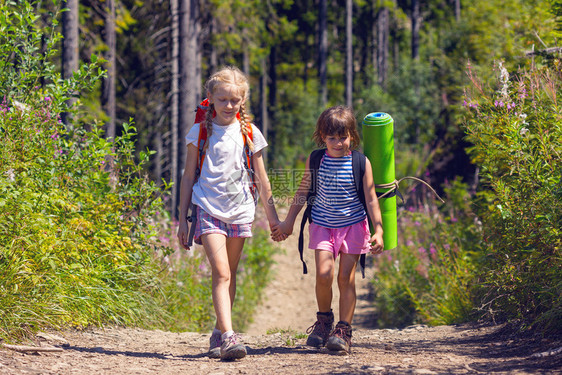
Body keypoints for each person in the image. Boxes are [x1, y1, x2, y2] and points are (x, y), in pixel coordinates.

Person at [177, 66, 285, 361]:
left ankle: (217, 330)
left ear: (242, 101)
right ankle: (228, 337)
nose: (228, 106)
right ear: (210, 98)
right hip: (207, 208)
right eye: (222, 99)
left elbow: (263, 179)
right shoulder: (198, 131)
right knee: (221, 272)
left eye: (234, 100)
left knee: (230, 274)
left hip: (240, 211)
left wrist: (273, 218)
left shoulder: (250, 132)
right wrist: (183, 219)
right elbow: (188, 177)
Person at [275, 105, 384, 354]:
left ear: (352, 136)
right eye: (331, 137)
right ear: (322, 137)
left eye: (342, 137)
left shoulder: (360, 162)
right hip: (323, 226)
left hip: (354, 226)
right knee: (324, 274)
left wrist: (379, 230)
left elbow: (371, 198)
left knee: (346, 278)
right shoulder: (316, 159)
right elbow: (302, 192)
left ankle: (344, 330)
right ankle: (324, 322)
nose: (337, 143)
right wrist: (289, 221)